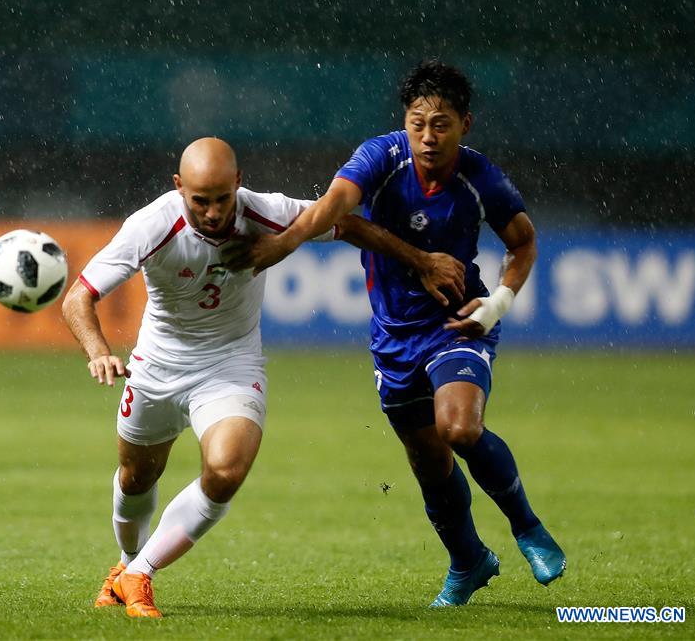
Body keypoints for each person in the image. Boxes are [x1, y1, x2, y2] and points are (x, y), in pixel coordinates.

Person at [62, 137, 465, 618]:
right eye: (199, 200)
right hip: (156, 366)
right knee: (135, 477)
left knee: (227, 470)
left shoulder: (269, 211)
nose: (212, 212)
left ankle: (140, 573)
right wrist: (99, 351)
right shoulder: (150, 225)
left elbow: (348, 224)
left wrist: (421, 261)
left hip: (230, 365)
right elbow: (77, 298)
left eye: (221, 198)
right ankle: (126, 566)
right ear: (178, 187)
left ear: (237, 182)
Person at [227, 60, 565, 607]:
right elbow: (336, 207)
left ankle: (527, 527)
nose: (428, 137)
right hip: (393, 337)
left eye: (442, 124)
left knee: (458, 429)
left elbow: (523, 243)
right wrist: (284, 244)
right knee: (429, 463)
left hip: (457, 323)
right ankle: (468, 562)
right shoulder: (382, 156)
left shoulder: (481, 179)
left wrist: (497, 304)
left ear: (466, 124)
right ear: (404, 122)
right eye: (418, 123)